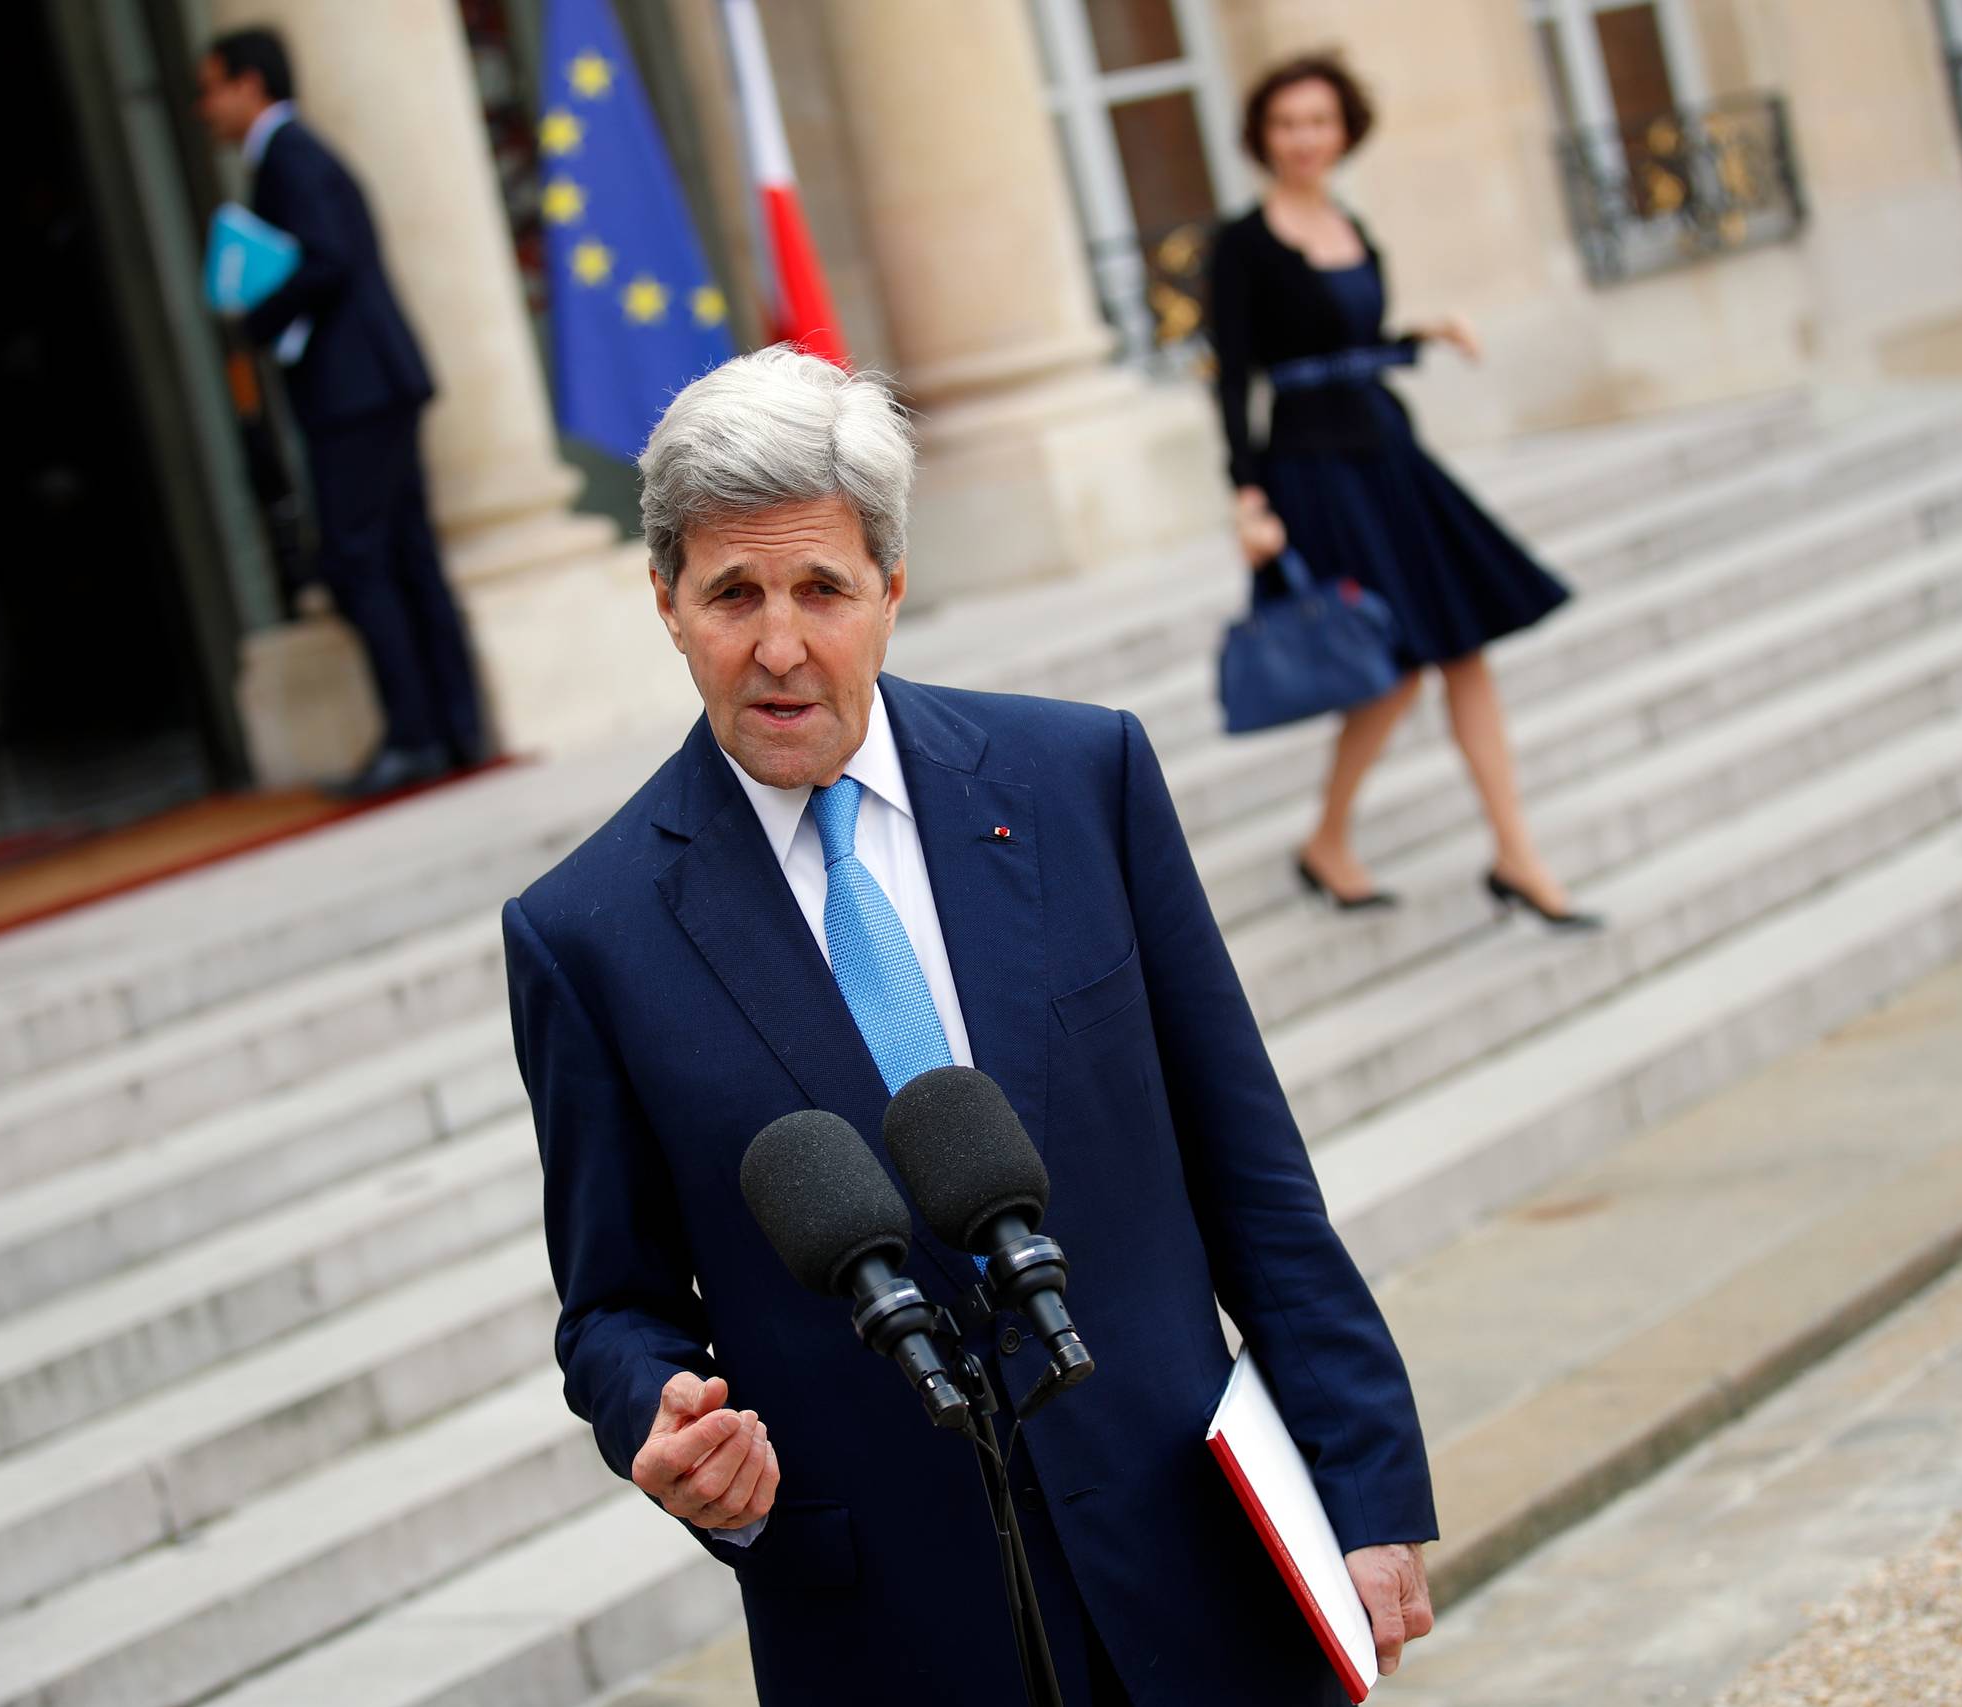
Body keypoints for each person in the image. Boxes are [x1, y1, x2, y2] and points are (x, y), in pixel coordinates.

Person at [504, 347, 1438, 1706]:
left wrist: (1362, 1482)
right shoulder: (586, 930)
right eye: (732, 594)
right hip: (893, 1621)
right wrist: (658, 1418)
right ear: (666, 602)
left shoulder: (1081, 779)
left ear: (892, 584)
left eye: (821, 587)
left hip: (1198, 1553)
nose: (779, 645)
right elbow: (615, 1303)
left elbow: (1254, 1172)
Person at [1209, 55, 1597, 928]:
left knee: (1463, 651)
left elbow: (1350, 336)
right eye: (1287, 124)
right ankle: (1328, 842)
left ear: (1344, 129)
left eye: (1320, 120)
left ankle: (1516, 853)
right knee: (1391, 670)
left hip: (1387, 449)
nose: (1306, 138)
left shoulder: (1352, 222)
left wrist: (1417, 333)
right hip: (1312, 467)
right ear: (1262, 139)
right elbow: (1236, 378)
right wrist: (1247, 498)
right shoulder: (1242, 243)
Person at [196, 26, 490, 796]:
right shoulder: (295, 155)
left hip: (354, 392)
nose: (204, 108)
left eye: (211, 88)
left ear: (249, 85)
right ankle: (453, 727)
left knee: (360, 560)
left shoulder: (287, 158)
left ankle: (421, 733)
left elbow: (327, 260)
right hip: (372, 385)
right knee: (403, 553)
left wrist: (253, 315)